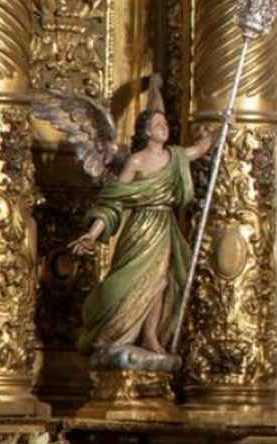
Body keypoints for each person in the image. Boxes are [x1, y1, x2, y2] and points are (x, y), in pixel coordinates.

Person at [69, 108, 217, 357]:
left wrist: (223, 124)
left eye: (166, 123)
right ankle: (115, 332)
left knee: (160, 282)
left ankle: (150, 336)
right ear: (146, 131)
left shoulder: (176, 156)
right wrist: (92, 234)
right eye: (159, 124)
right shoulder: (136, 161)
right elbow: (113, 201)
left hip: (164, 225)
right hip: (139, 227)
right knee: (131, 280)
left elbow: (201, 148)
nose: (165, 127)